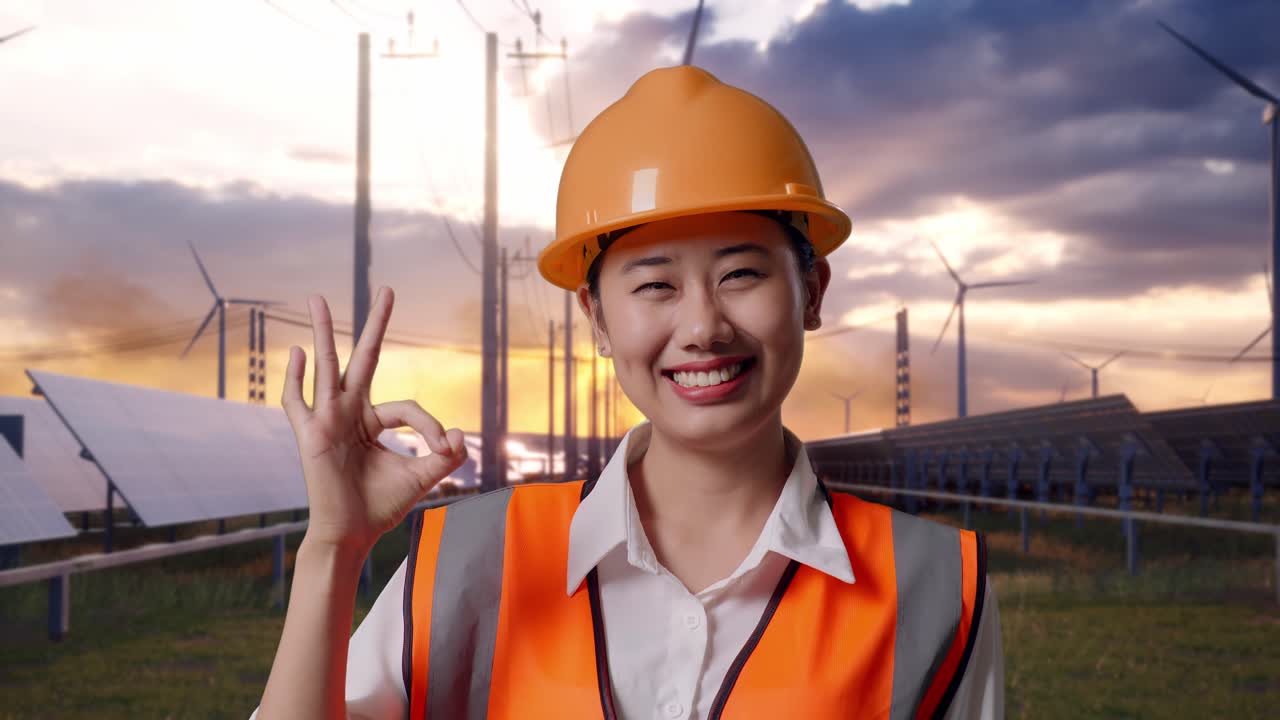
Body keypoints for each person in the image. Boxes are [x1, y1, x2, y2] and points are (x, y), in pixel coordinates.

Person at [252, 65, 1003, 719]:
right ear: (597, 318)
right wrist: (333, 548)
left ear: (812, 290)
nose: (704, 326)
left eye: (741, 273)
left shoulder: (938, 589)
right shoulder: (466, 563)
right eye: (655, 285)